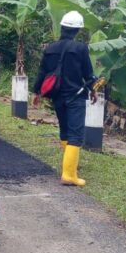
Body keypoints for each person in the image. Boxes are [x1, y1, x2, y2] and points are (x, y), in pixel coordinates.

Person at [32, 11, 98, 187]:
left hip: (57, 96)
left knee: (65, 131)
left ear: (62, 27)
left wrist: (36, 92)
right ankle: (69, 175)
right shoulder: (80, 48)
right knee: (76, 134)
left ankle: (70, 165)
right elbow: (88, 74)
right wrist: (93, 89)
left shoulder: (50, 48)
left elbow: (42, 72)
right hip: (75, 96)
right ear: (77, 30)